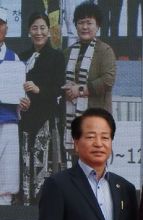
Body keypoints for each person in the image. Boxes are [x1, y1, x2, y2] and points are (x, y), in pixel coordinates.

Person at [19, 12, 66, 205]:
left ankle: (45, 205)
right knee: (24, 163)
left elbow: (59, 89)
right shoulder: (21, 56)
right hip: (24, 120)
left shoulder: (56, 57)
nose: (39, 32)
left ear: (49, 31)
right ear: (29, 31)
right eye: (34, 28)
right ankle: (25, 203)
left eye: (42, 28)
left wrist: (39, 90)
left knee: (46, 165)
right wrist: (20, 101)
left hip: (46, 120)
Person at [62, 1, 116, 154]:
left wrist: (80, 90)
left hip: (96, 122)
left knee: (94, 167)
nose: (84, 27)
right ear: (75, 25)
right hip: (72, 123)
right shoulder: (67, 52)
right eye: (80, 23)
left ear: (98, 26)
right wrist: (65, 89)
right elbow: (61, 82)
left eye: (89, 23)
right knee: (73, 170)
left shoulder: (105, 51)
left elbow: (108, 81)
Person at [0, 7, 28, 205]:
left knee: (7, 168)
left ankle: (5, 203)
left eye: (0, 24)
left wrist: (24, 103)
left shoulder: (15, 59)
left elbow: (20, 95)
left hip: (8, 119)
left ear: (6, 28)